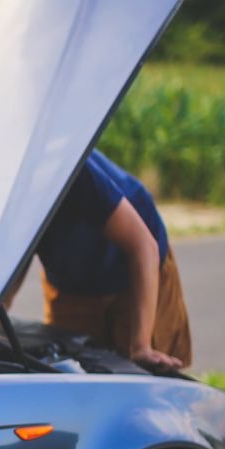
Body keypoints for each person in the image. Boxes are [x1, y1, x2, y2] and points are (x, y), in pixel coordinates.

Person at [25, 149, 191, 371]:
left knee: (142, 373)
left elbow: (143, 246)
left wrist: (141, 345)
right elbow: (14, 255)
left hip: (137, 268)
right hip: (70, 282)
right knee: (70, 372)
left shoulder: (69, 168)